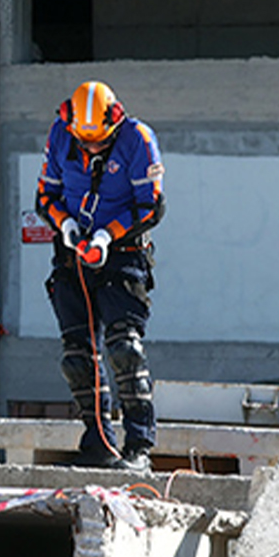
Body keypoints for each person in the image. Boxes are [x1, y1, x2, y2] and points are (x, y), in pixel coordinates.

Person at [35, 79, 166, 471]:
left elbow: (152, 207)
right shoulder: (61, 134)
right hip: (72, 254)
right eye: (85, 142)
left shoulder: (138, 139)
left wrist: (109, 234)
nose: (92, 148)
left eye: (99, 143)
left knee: (125, 349)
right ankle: (98, 441)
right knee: (77, 355)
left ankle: (139, 446)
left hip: (123, 254)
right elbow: (45, 197)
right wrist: (68, 227)